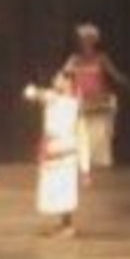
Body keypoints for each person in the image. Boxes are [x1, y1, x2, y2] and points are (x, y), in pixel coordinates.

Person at [61, 23, 130, 182]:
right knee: (81, 135)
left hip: (100, 101)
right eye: (83, 39)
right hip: (80, 102)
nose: (86, 42)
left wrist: (127, 82)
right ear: (80, 41)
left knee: (100, 135)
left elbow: (115, 75)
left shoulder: (101, 57)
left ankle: (102, 166)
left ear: (95, 40)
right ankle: (83, 166)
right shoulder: (74, 59)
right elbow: (63, 76)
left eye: (90, 39)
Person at [25, 70, 81, 238]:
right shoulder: (56, 97)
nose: (54, 80)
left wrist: (34, 91)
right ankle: (63, 224)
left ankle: (68, 226)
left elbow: (34, 94)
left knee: (65, 186)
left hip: (63, 146)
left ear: (68, 83)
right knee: (57, 185)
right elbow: (33, 95)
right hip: (53, 145)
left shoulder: (67, 100)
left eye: (58, 78)